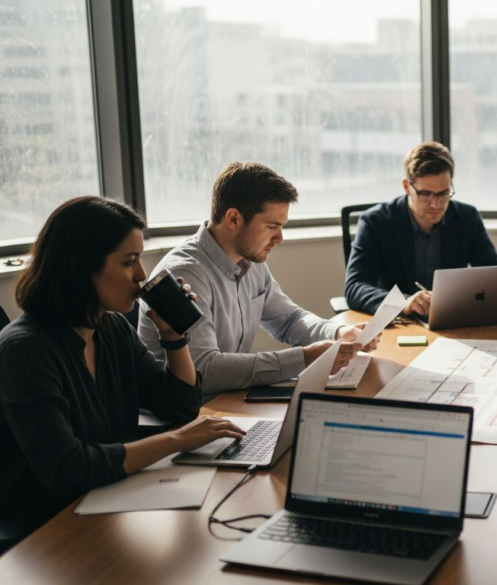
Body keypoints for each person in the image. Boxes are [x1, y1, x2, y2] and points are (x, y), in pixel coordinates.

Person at [0, 197, 246, 531]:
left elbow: (180, 406)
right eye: (129, 262)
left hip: (110, 501)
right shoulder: (24, 350)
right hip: (49, 526)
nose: (142, 275)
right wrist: (177, 441)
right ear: (79, 266)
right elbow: (66, 469)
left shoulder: (111, 328)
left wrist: (174, 337)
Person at [138, 162, 378, 396]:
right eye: (272, 226)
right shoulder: (186, 273)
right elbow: (204, 370)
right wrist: (302, 359)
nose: (280, 237)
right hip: (187, 416)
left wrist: (336, 332)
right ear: (233, 219)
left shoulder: (250, 261)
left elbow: (289, 319)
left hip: (225, 401)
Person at [344, 142, 497, 316]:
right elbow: (355, 288)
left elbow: (495, 277)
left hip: (451, 319)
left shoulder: (467, 217)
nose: (435, 204)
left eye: (443, 193)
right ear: (407, 187)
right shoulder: (375, 222)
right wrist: (403, 302)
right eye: (425, 194)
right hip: (399, 323)